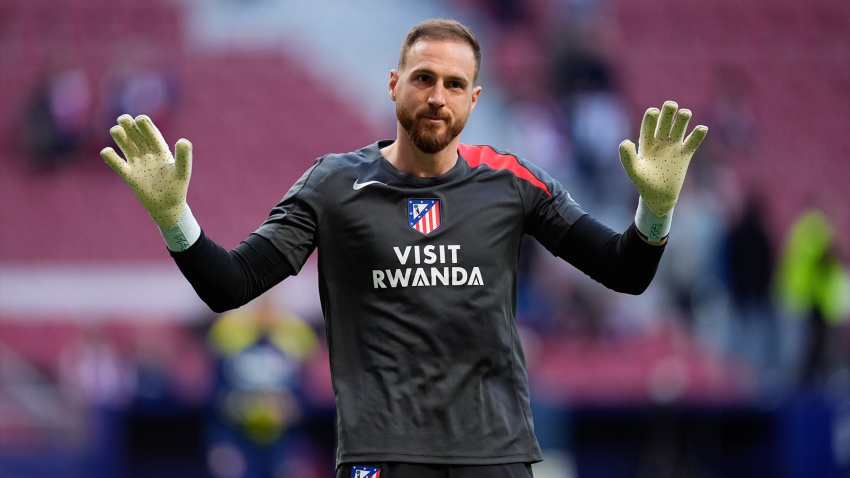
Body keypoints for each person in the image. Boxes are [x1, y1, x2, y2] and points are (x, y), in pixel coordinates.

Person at [100, 19, 707, 478]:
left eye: (454, 84)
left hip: (494, 456)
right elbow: (230, 285)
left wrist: (655, 210)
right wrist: (174, 218)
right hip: (381, 455)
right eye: (423, 78)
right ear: (394, 85)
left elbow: (624, 272)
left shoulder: (512, 181)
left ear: (473, 98)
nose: (437, 96)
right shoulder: (333, 185)